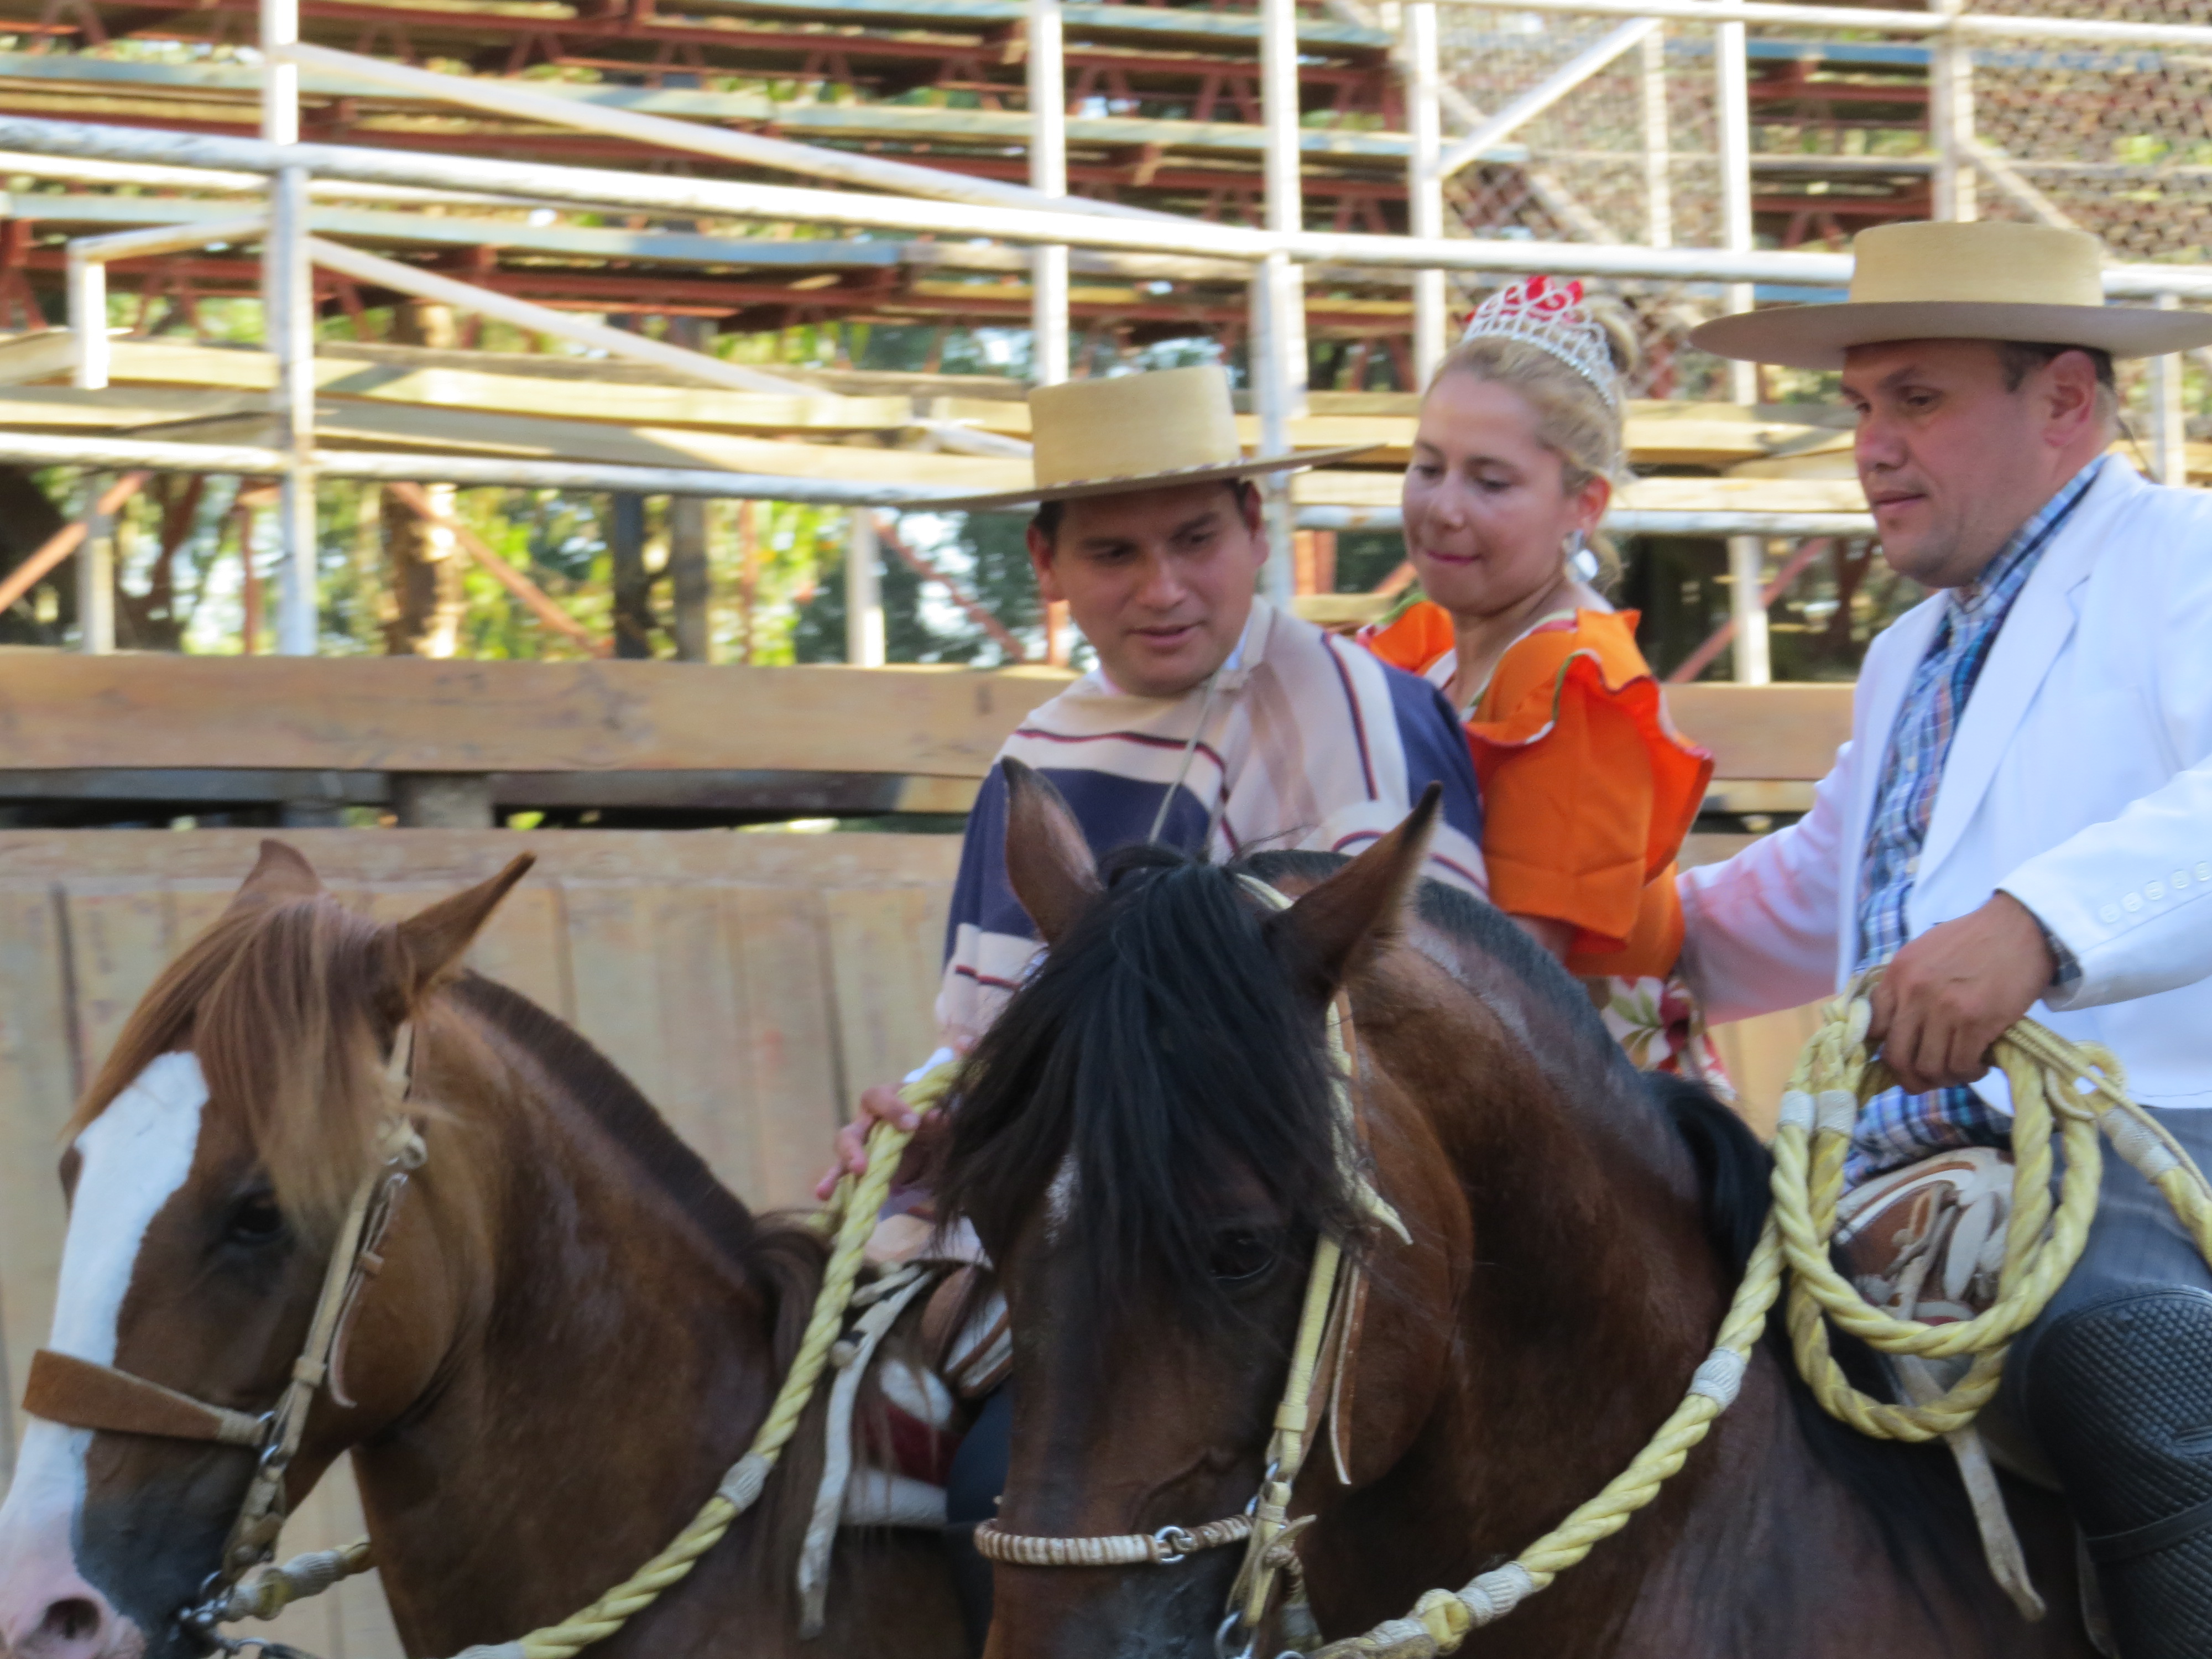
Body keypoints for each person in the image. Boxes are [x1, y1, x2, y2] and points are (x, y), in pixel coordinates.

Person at [812, 363, 1489, 1653]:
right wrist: (942, 1131)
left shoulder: (1358, 712)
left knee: (998, 1492)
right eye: (1113, 553)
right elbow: (999, 1049)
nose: (1163, 589)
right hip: (1087, 1243)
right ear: (1046, 563)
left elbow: (1423, 1037)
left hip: (1271, 1263)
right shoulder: (1035, 757)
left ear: (1254, 527)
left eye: (1194, 540)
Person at [1677, 219, 2212, 1655]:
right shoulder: (1913, 648)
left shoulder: (2189, 558)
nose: (1872, 447)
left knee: (2127, 1352)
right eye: (1862, 404)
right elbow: (1830, 889)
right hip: (1908, 1170)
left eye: (1917, 399)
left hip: (2168, 1136)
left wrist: (2040, 928)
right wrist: (1623, 939)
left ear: (2065, 403)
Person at [1359, 276, 1724, 1086]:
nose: (1443, 508)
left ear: (1582, 505)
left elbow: (1512, 986)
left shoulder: (1575, 680)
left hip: (1565, 1115)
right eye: (1428, 467)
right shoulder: (1426, 652)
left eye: (1490, 482)